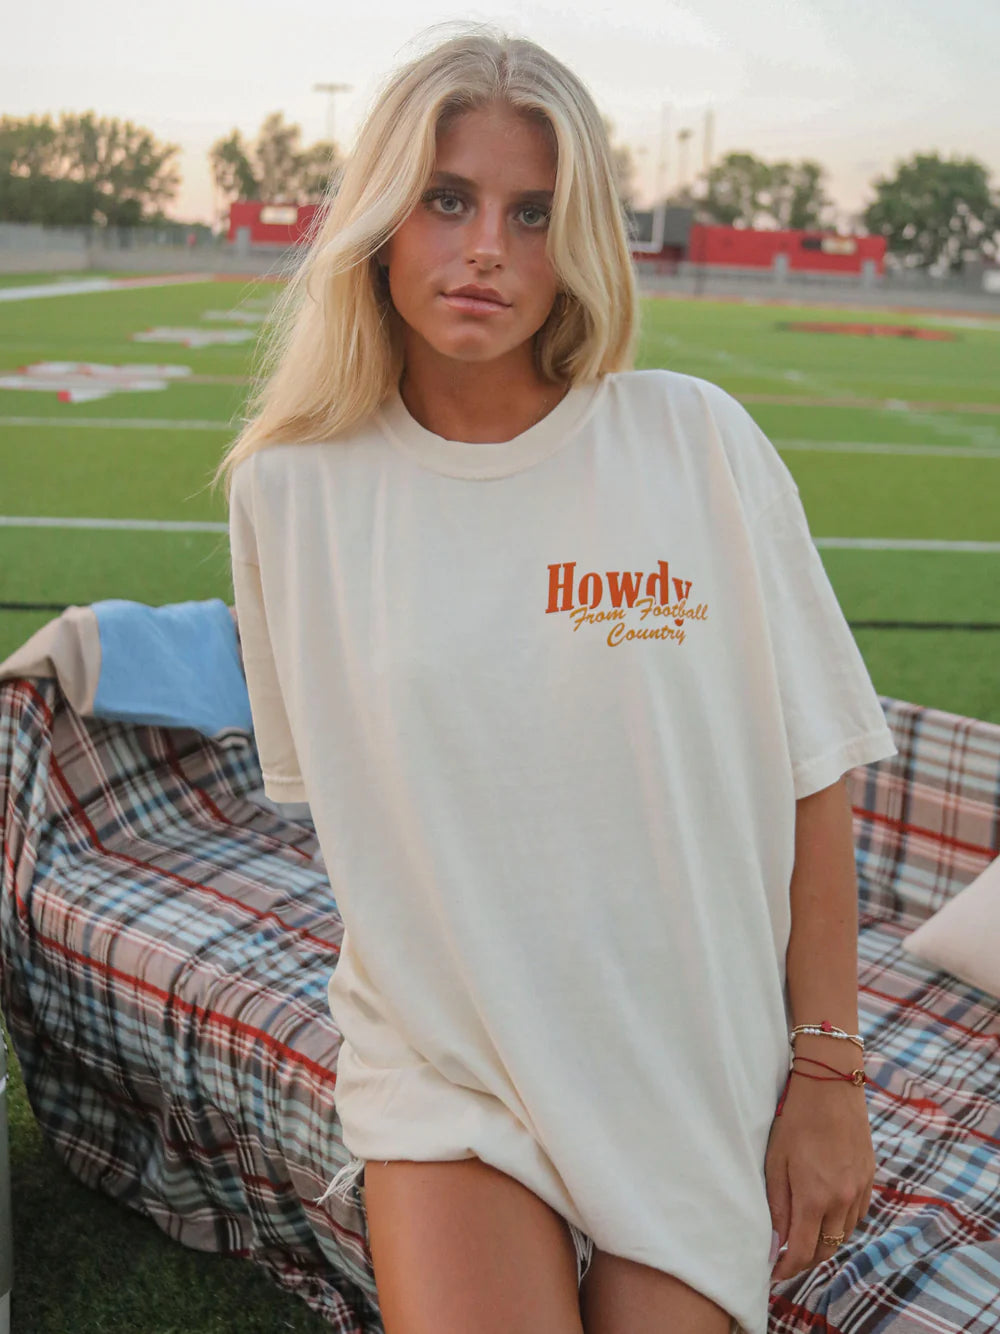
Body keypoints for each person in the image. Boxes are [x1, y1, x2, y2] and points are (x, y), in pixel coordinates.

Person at [214, 22, 897, 1334]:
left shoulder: (695, 442)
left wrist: (827, 1072)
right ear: (379, 216)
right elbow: (366, 822)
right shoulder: (287, 493)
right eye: (447, 198)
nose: (489, 248)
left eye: (533, 213)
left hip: (686, 1051)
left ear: (579, 237)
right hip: (449, 1057)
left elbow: (816, 765)